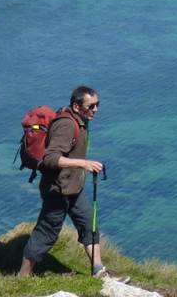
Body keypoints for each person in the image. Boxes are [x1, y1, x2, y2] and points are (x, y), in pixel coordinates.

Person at [18, 85, 113, 278]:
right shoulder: (67, 125)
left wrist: (82, 167)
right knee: (46, 233)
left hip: (74, 188)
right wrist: (83, 164)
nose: (96, 110)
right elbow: (50, 158)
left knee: (89, 225)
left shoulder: (81, 121)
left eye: (97, 105)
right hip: (58, 190)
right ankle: (23, 276)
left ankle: (99, 271)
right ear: (77, 106)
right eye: (91, 106)